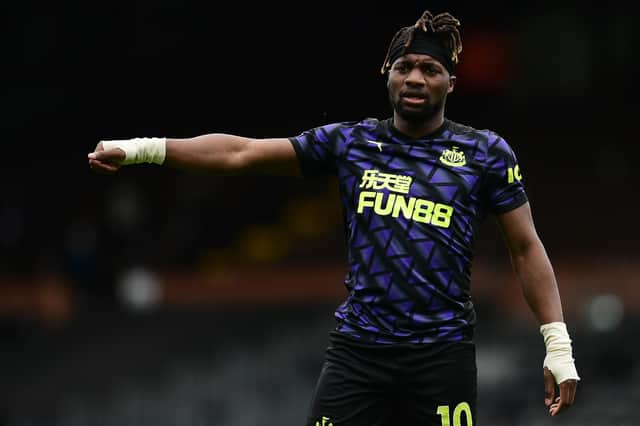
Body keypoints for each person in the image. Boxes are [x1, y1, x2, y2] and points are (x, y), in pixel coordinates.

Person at [88, 8, 579, 426]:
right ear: (385, 70)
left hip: (441, 356)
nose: (415, 78)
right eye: (404, 65)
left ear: (451, 81)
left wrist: (557, 344)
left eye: (430, 68)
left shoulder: (485, 152)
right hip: (358, 353)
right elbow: (240, 152)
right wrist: (141, 149)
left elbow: (525, 247)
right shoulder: (351, 142)